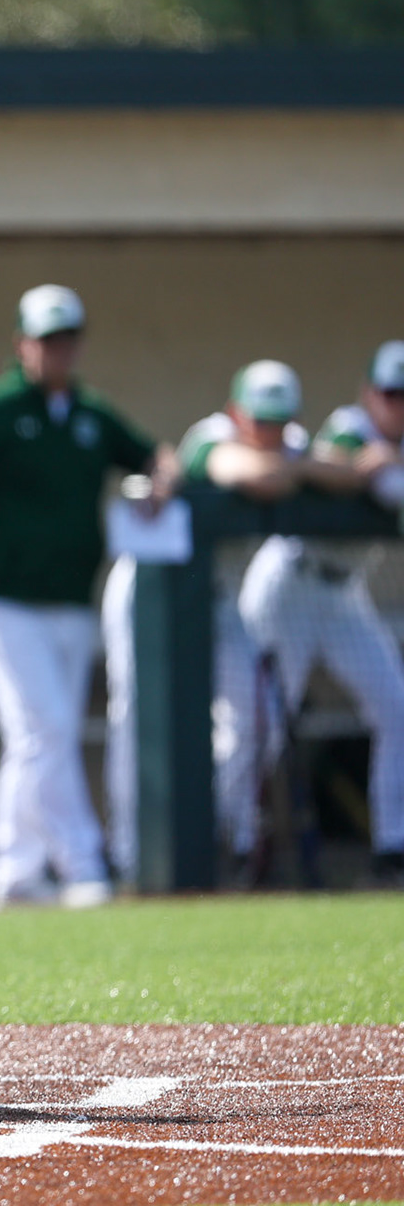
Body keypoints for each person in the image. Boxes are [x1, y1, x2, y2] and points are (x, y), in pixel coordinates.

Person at [0, 284, 179, 910]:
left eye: (66, 340)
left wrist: (161, 483)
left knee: (35, 737)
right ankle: (83, 861)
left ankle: (14, 871)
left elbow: (156, 455)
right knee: (48, 727)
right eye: (44, 341)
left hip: (71, 599)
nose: (56, 352)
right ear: (22, 344)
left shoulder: (92, 415)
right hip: (2, 599)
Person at [100, 361, 349, 882]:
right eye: (259, 420)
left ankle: (225, 833)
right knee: (136, 716)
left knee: (260, 713)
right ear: (236, 413)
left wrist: (300, 465)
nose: (269, 431)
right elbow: (248, 473)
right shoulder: (210, 438)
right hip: (147, 587)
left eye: (280, 421)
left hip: (214, 599)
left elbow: (349, 471)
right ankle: (129, 852)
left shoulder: (291, 447)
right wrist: (300, 467)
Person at [240, 341, 404, 887]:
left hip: (343, 595)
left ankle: (393, 845)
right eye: (390, 394)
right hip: (291, 580)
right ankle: (234, 842)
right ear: (370, 394)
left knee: (396, 705)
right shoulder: (349, 427)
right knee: (258, 725)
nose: (397, 405)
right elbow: (387, 488)